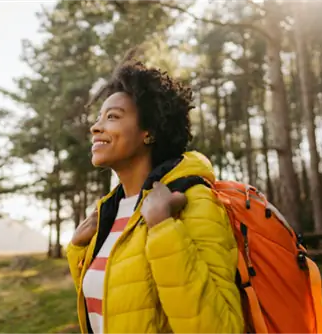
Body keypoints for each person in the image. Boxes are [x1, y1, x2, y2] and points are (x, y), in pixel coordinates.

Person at [66, 48, 244, 334]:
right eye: (98, 118)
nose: (95, 128)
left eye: (111, 117)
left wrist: (163, 229)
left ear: (148, 132)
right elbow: (118, 306)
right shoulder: (108, 214)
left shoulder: (192, 200)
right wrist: (78, 250)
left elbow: (220, 328)